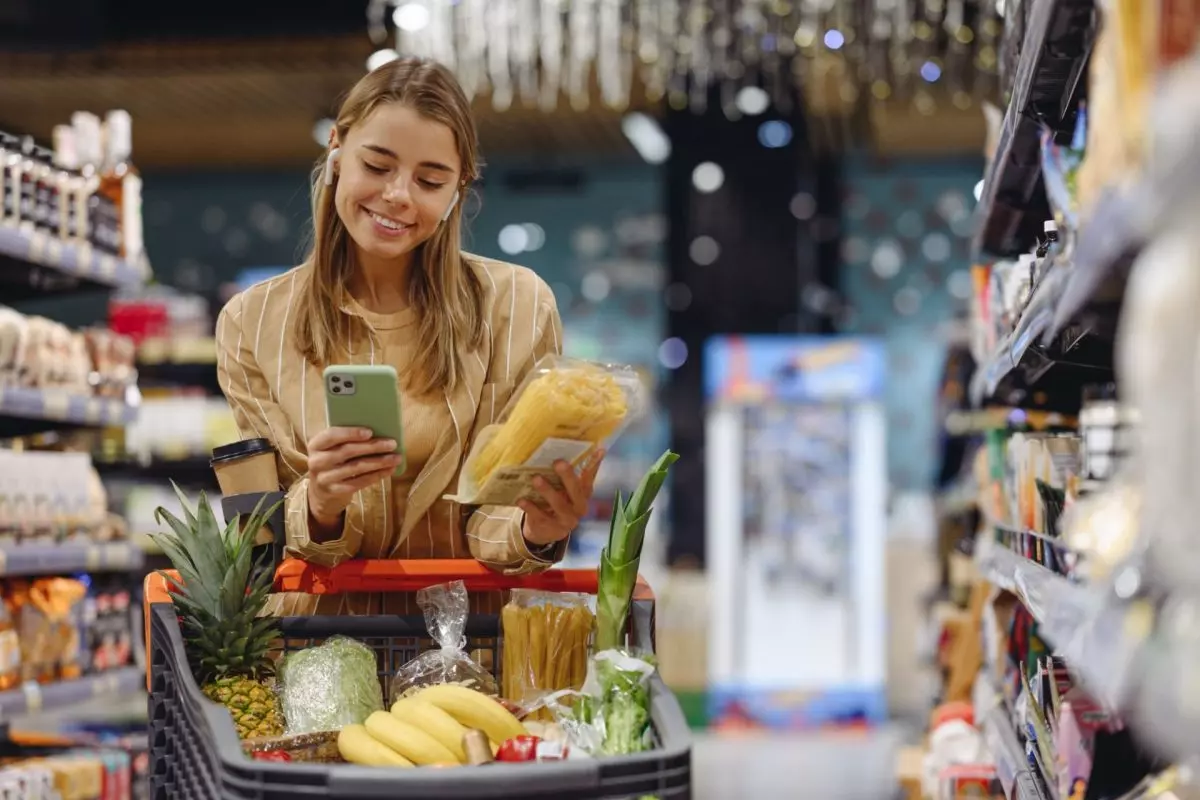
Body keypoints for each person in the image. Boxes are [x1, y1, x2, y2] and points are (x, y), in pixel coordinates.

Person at [215, 57, 604, 615]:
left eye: (430, 181)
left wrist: (535, 526)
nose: (398, 195)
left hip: (469, 645)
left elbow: (496, 518)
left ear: (458, 189)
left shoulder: (518, 307)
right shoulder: (251, 322)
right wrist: (320, 503)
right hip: (315, 645)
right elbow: (259, 534)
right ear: (336, 149)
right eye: (377, 165)